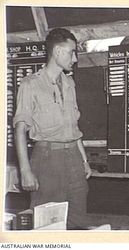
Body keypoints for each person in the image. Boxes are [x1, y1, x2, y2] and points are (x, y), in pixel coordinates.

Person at [14, 28, 92, 229]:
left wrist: (84, 161)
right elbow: (20, 130)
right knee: (48, 224)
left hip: (74, 158)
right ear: (57, 52)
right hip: (47, 159)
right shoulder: (30, 85)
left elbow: (74, 128)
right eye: (71, 52)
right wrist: (25, 171)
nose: (74, 58)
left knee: (78, 221)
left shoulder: (69, 83)